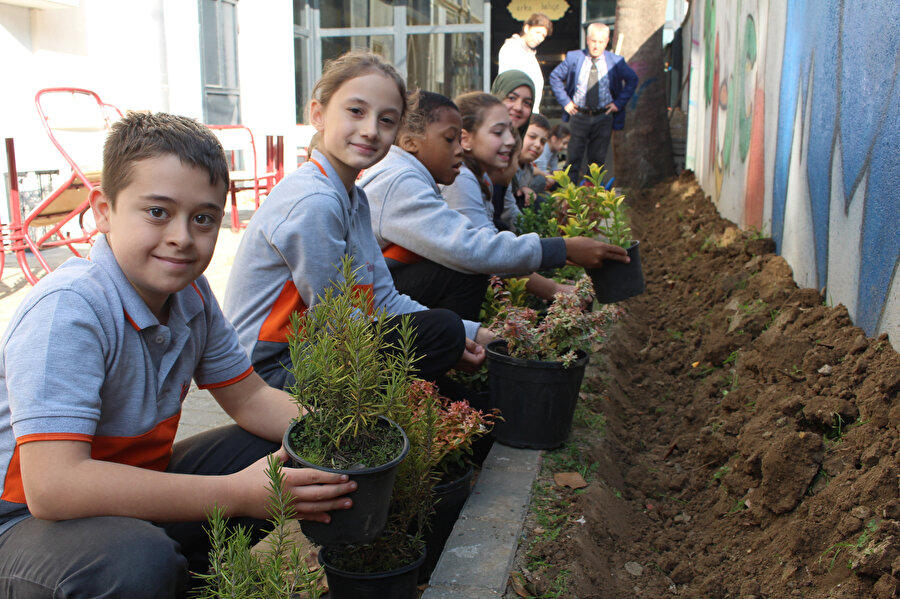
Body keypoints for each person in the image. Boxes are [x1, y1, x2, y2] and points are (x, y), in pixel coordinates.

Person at [0, 112, 357, 597]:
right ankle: (139, 575)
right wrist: (235, 496)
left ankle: (166, 576)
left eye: (203, 218)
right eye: (157, 212)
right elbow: (53, 487)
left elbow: (252, 399)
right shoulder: (70, 310)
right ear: (103, 210)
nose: (182, 237)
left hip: (130, 485)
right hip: (21, 522)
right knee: (133, 562)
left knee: (281, 449)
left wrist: (342, 435)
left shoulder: (192, 296)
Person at [223, 52, 486, 392]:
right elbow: (337, 321)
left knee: (449, 346)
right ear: (318, 114)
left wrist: (473, 333)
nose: (371, 130)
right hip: (273, 368)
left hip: (314, 347)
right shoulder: (314, 201)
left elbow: (382, 298)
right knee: (441, 333)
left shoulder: (353, 196)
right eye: (356, 111)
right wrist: (446, 340)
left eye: (387, 120)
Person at [360, 90, 628, 321]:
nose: (512, 142)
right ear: (410, 142)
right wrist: (563, 249)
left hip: (374, 297)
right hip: (365, 310)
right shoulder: (404, 180)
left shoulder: (424, 175)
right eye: (450, 139)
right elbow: (472, 250)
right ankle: (442, 363)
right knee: (467, 271)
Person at [437, 91, 630, 309]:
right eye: (499, 132)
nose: (510, 142)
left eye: (510, 133)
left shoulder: (480, 181)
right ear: (465, 138)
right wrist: (563, 253)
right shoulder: (461, 179)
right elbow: (486, 255)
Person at [549, 22, 638, 183]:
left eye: (601, 42)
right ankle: (569, 199)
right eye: (593, 41)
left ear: (607, 41)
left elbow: (633, 79)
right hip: (579, 115)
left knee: (597, 161)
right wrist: (565, 102)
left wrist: (619, 103)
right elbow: (554, 77)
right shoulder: (574, 57)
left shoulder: (616, 61)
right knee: (573, 158)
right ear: (587, 40)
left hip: (603, 117)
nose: (596, 46)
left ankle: (592, 199)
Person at [497, 13, 553, 114]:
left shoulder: (529, 53)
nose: (539, 38)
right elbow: (509, 85)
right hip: (515, 113)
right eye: (537, 32)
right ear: (527, 28)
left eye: (543, 35)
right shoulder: (512, 49)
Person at [512, 113, 552, 207]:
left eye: (543, 142)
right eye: (532, 137)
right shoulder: (505, 165)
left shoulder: (528, 168)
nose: (538, 145)